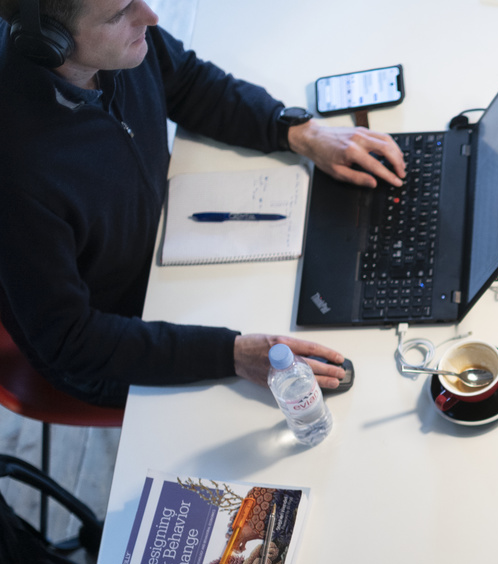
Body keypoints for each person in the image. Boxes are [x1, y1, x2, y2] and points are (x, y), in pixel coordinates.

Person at [0, 0, 408, 407]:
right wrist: (230, 354)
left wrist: (298, 132)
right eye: (119, 13)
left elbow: (187, 83)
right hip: (111, 342)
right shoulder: (19, 177)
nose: (151, 16)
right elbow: (72, 341)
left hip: (168, 254)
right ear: (48, 42)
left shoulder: (122, 43)